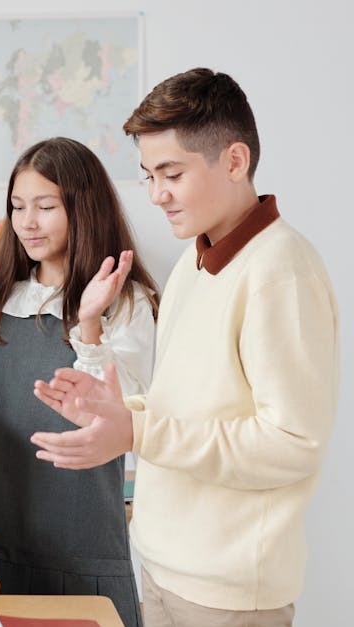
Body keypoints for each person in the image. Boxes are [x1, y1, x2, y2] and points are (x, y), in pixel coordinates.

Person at [33, 69, 339, 627]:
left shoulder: (282, 273)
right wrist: (119, 415)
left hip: (227, 592)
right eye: (149, 175)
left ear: (235, 161)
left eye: (171, 173)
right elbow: (188, 407)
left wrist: (139, 432)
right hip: (163, 565)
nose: (156, 195)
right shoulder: (195, 264)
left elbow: (292, 443)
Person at [0, 137, 160, 626]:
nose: (27, 222)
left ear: (83, 207)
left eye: (45, 206)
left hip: (79, 539)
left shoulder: (126, 301)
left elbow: (124, 417)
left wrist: (89, 323)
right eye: (17, 206)